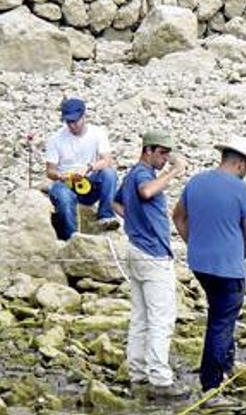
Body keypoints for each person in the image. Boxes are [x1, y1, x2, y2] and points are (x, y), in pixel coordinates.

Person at [173, 136, 246, 411]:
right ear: (240, 163)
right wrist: (241, 253)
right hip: (228, 267)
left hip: (200, 264)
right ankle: (211, 388)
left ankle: (224, 368)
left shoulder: (196, 181)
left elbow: (178, 217)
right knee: (221, 323)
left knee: (217, 315)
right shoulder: (243, 191)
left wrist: (194, 243)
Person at [112, 131, 189, 399]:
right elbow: (146, 191)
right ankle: (160, 378)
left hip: (135, 249)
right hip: (153, 253)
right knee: (161, 318)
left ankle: (138, 374)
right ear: (149, 150)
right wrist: (175, 173)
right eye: (163, 153)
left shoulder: (132, 173)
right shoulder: (143, 175)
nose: (166, 158)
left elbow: (115, 201)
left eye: (168, 154)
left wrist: (133, 221)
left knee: (141, 316)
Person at [45, 97, 119, 239]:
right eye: (68, 122)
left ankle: (106, 216)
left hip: (88, 181)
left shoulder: (97, 133)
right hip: (66, 184)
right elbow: (50, 171)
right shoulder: (56, 139)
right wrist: (61, 176)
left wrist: (89, 167)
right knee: (63, 196)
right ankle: (72, 237)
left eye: (75, 121)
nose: (72, 125)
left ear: (84, 116)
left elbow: (107, 161)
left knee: (109, 173)